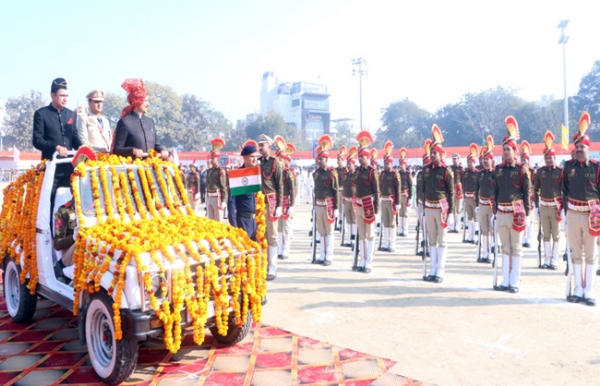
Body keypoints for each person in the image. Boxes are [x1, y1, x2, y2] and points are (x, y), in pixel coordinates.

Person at [32, 77, 82, 217]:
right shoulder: (41, 114)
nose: (65, 99)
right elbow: (37, 141)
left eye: (66, 96)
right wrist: (56, 147)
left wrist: (84, 147)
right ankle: (49, 235)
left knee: (73, 203)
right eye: (61, 96)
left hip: (70, 168)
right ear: (52, 95)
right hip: (52, 169)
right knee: (51, 203)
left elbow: (74, 138)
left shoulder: (71, 114)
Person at [562, 112, 598, 306]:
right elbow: (564, 189)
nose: (579, 149)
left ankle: (589, 290)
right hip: (574, 213)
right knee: (575, 253)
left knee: (591, 254)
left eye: (582, 146)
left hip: (592, 215)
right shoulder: (568, 167)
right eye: (576, 147)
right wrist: (564, 210)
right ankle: (577, 289)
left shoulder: (597, 167)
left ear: (588, 148)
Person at [493, 116, 530, 294]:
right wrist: (494, 211)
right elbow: (495, 191)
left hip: (516, 213)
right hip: (501, 211)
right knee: (504, 246)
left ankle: (515, 280)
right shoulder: (498, 170)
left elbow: (526, 193)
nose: (506, 152)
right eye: (504, 149)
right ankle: (505, 279)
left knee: (516, 247)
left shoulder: (521, 169)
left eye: (509, 149)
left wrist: (528, 214)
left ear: (515, 151)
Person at [422, 125, 454, 283]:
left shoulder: (447, 171)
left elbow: (451, 193)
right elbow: (422, 189)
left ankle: (440, 270)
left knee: (442, 240)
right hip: (429, 207)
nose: (432, 155)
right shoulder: (426, 170)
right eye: (431, 153)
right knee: (432, 239)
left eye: (435, 153)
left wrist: (451, 213)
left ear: (441, 154)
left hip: (442, 209)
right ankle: (433, 269)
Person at [111, 78, 168, 159]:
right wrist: (132, 151)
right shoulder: (125, 122)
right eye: (146, 101)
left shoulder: (150, 122)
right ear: (137, 101)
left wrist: (162, 150)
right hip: (132, 168)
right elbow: (117, 150)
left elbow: (156, 145)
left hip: (151, 168)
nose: (148, 104)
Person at [533, 132, 563, 270]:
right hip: (544, 206)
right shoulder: (540, 172)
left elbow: (565, 190)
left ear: (555, 157)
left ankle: (555, 260)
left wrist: (563, 208)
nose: (549, 160)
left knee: (556, 234)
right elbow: (536, 189)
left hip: (556, 207)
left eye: (551, 157)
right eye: (546, 158)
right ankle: (547, 259)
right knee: (546, 234)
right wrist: (536, 206)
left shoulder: (561, 172)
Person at [258, 134, 284, 281]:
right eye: (259, 145)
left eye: (263, 145)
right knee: (263, 235)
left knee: (273, 236)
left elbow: (280, 185)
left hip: (272, 203)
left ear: (269, 146)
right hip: (260, 204)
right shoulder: (258, 163)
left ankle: (272, 267)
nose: (260, 147)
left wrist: (280, 205)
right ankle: (264, 265)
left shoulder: (275, 163)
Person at [354, 131, 380, 273]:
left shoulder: (372, 172)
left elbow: (377, 192)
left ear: (367, 157)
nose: (359, 158)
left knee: (370, 234)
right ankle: (362, 260)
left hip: (369, 204)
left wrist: (377, 210)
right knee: (362, 234)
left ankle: (369, 261)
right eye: (359, 156)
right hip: (359, 204)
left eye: (362, 156)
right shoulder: (358, 171)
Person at [313, 135, 339, 265]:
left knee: (329, 232)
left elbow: (335, 191)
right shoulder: (316, 173)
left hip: (328, 205)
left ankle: (329, 256)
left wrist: (336, 208)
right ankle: (322, 255)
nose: (318, 160)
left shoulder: (331, 173)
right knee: (321, 231)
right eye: (318, 158)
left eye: (321, 158)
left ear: (326, 159)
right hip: (319, 205)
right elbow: (315, 191)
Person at [228, 141, 260, 241]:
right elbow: (231, 202)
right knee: (245, 252)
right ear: (245, 157)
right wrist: (234, 225)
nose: (255, 159)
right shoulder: (238, 175)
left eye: (256, 157)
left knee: (257, 253)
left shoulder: (258, 174)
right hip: (243, 221)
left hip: (257, 221)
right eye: (252, 157)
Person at [475, 136, 495, 263]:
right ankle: (485, 253)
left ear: (492, 160)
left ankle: (492, 253)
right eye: (484, 159)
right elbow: (477, 189)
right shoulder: (480, 174)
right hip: (482, 204)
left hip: (492, 205)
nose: (485, 161)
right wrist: (477, 205)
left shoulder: (496, 173)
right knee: (484, 229)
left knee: (492, 229)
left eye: (487, 159)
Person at [275, 138, 296, 260]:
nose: (279, 161)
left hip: (286, 201)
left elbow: (293, 189)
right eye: (278, 159)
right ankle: (280, 248)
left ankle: (286, 249)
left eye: (281, 159)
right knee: (279, 227)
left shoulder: (288, 173)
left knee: (286, 226)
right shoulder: (276, 172)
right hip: (278, 201)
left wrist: (292, 205)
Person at [379, 141, 400, 252]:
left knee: (392, 223)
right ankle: (386, 243)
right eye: (385, 163)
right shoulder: (382, 174)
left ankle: (392, 243)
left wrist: (398, 203)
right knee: (385, 223)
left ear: (391, 164)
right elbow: (379, 187)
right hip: (383, 200)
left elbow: (398, 188)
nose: (386, 165)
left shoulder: (394, 174)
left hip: (392, 201)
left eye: (388, 163)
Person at [53, 198, 77, 284]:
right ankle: (65, 272)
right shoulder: (64, 210)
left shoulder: (96, 208)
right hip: (69, 254)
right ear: (72, 190)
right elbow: (57, 244)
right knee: (82, 242)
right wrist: (73, 238)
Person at [415, 141, 432, 256]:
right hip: (421, 203)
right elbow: (418, 190)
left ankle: (430, 248)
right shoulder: (419, 174)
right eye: (423, 162)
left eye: (426, 162)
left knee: (430, 228)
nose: (424, 164)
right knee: (423, 227)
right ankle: (424, 246)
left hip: (429, 204)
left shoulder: (432, 174)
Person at [206, 138, 228, 221]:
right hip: (210, 197)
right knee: (210, 220)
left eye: (213, 158)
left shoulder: (221, 171)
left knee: (218, 220)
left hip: (217, 198)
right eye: (211, 158)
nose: (211, 160)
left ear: (218, 159)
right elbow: (207, 184)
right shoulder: (209, 171)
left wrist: (223, 201)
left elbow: (223, 187)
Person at [462, 144, 480, 244]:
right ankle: (470, 235)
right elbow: (463, 184)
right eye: (468, 162)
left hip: (474, 198)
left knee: (475, 217)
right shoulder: (465, 173)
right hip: (467, 197)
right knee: (469, 217)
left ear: (474, 162)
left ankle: (476, 236)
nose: (469, 164)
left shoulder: (477, 173)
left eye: (471, 162)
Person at [341, 146, 358, 248]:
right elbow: (344, 187)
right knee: (349, 220)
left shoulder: (356, 175)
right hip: (346, 200)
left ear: (353, 164)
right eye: (347, 164)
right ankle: (349, 239)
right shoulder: (346, 175)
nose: (348, 165)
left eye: (349, 164)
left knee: (354, 220)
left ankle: (354, 237)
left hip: (354, 200)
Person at [520, 141, 536, 248]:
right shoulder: (520, 171)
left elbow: (535, 185)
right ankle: (522, 238)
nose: (524, 161)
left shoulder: (533, 171)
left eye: (525, 160)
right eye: (522, 160)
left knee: (530, 219)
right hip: (521, 198)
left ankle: (529, 239)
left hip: (531, 198)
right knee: (521, 218)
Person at [397, 148, 412, 237]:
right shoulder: (397, 173)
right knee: (400, 213)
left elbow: (410, 186)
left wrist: (410, 198)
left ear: (405, 165)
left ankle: (405, 230)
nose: (401, 166)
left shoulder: (408, 174)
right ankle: (400, 230)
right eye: (400, 164)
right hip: (399, 195)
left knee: (405, 213)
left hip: (405, 195)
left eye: (402, 164)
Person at [449, 153, 464, 233]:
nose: (454, 160)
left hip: (458, 191)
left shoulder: (461, 169)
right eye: (453, 159)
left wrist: (463, 191)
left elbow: (463, 180)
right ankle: (452, 227)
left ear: (458, 159)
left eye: (456, 159)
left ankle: (457, 226)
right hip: (452, 190)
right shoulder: (450, 168)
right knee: (452, 208)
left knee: (458, 209)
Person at [335, 147, 348, 231]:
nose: (337, 162)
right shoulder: (335, 170)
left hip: (344, 191)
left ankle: (344, 224)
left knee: (344, 208)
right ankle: (339, 224)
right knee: (339, 208)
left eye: (339, 160)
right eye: (337, 160)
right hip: (337, 191)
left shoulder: (345, 170)